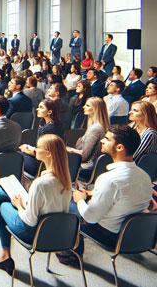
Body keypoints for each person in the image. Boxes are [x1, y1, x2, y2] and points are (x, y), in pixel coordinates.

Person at [0, 134, 72, 275]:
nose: (34, 149)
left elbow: (30, 220)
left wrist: (19, 205)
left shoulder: (40, 184)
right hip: (53, 232)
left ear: (48, 153)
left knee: (1, 203)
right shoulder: (66, 179)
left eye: (37, 147)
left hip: (32, 232)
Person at [59, 125, 152, 265]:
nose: (102, 140)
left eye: (107, 139)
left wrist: (79, 200)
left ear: (120, 147)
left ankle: (71, 255)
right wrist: (93, 193)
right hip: (130, 235)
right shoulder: (144, 176)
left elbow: (90, 217)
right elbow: (124, 199)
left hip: (108, 235)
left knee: (63, 203)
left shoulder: (109, 179)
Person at [66, 97, 110, 181]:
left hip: (86, 167)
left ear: (95, 109)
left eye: (87, 105)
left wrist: (69, 149)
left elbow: (84, 156)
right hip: (91, 166)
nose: (83, 107)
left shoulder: (95, 129)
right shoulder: (100, 126)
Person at [19, 100, 63, 176]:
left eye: (41, 107)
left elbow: (39, 154)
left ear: (49, 112)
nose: (37, 109)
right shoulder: (59, 126)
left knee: (17, 155)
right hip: (53, 164)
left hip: (39, 165)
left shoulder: (45, 129)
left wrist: (24, 149)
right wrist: (30, 148)